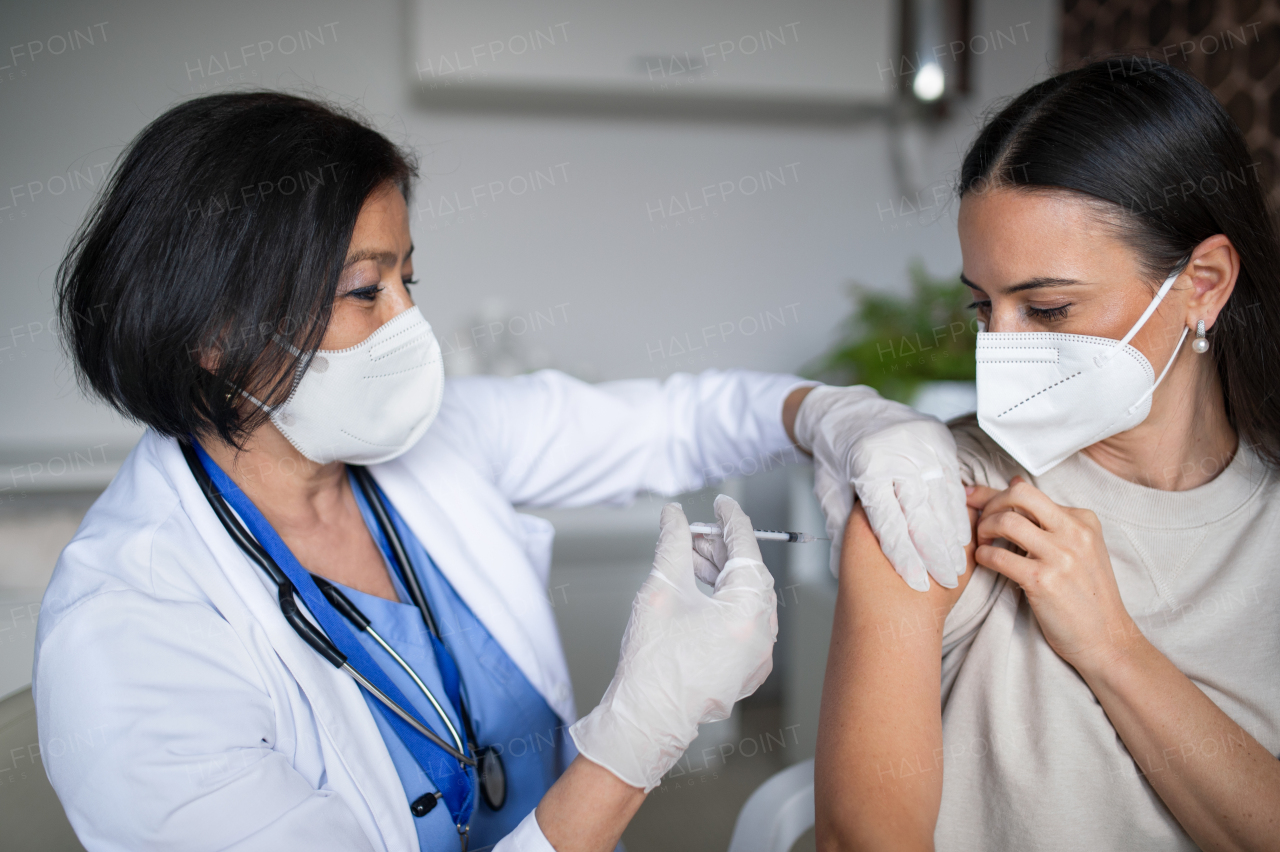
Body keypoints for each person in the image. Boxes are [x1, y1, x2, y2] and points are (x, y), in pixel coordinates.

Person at [34, 92, 968, 852]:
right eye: (367, 291)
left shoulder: (428, 443)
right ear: (214, 332)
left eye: (411, 281)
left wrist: (842, 418)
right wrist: (637, 738)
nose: (410, 326)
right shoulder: (128, 633)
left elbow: (677, 420)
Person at [813, 58, 1280, 851]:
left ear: (1202, 283)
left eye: (1049, 306)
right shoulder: (936, 494)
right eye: (983, 305)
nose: (1001, 347)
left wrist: (1112, 646)